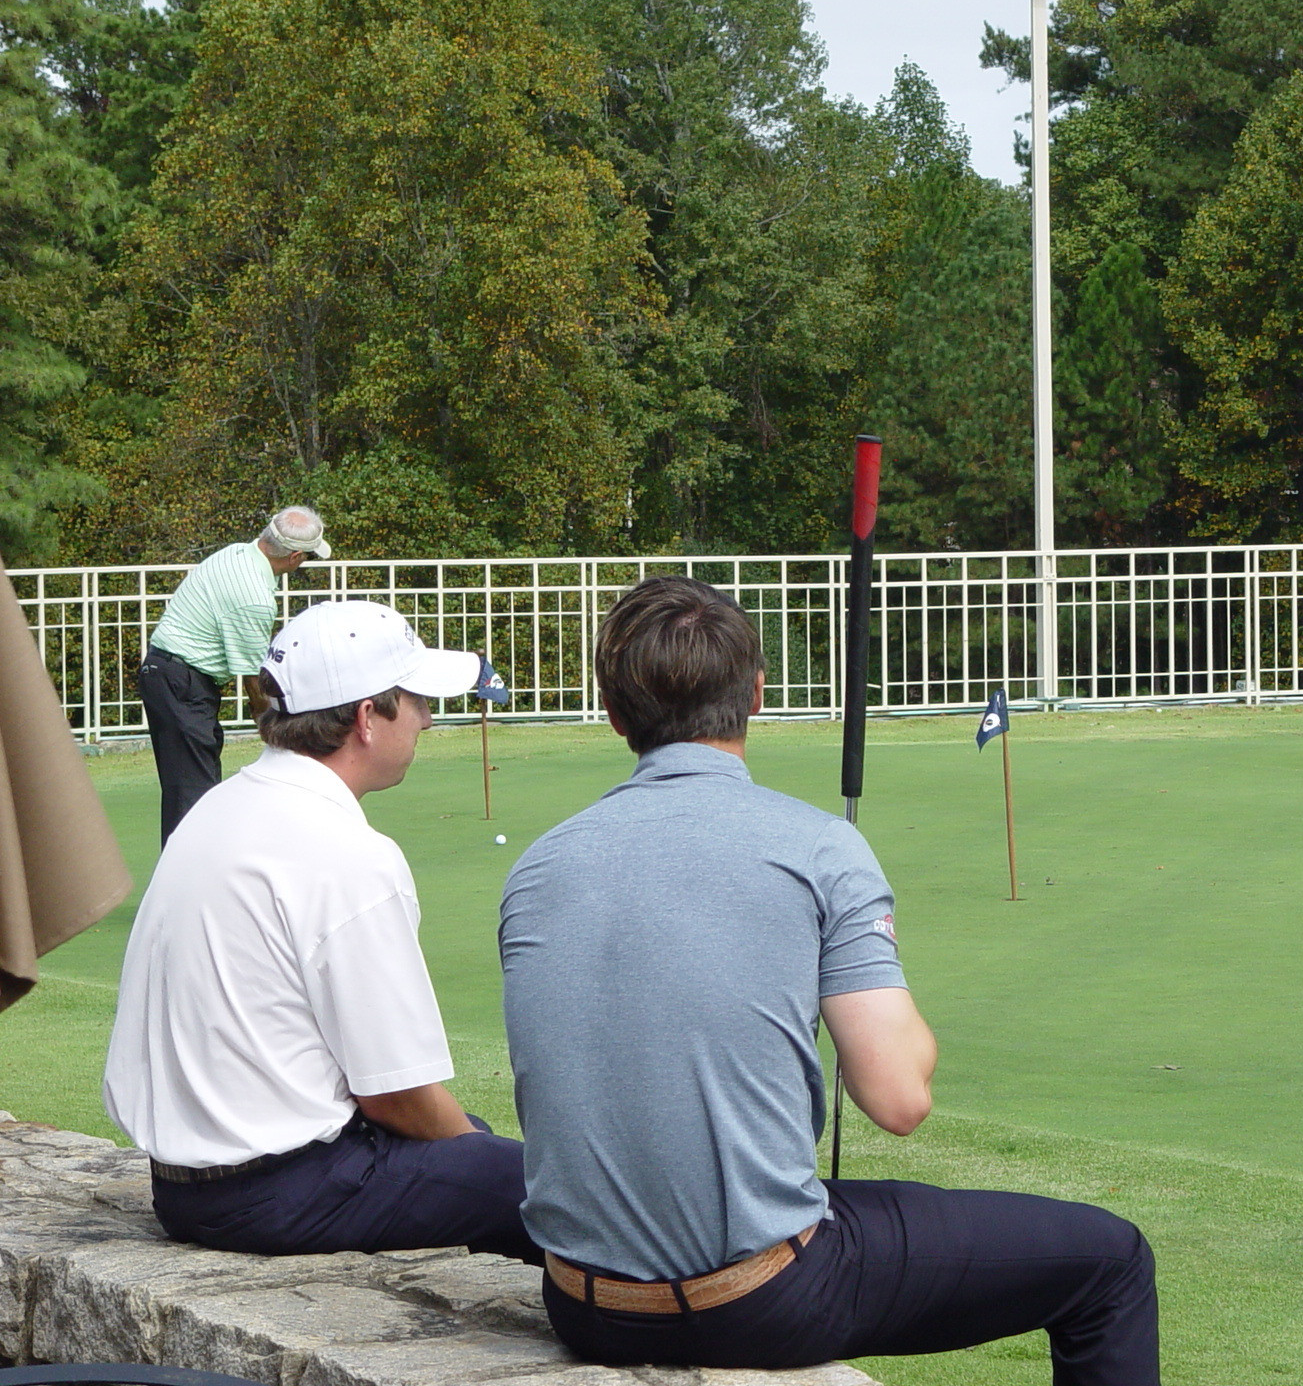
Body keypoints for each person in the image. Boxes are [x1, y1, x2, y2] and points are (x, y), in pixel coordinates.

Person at [500, 576, 1159, 1383]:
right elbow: (897, 1100)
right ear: (756, 694)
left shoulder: (537, 865)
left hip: (584, 1304)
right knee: (1112, 1262)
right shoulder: (818, 847)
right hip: (759, 1298)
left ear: (613, 711)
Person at [105, 599, 538, 1264]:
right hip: (278, 1189)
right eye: (416, 699)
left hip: (184, 1185)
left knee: (471, 1153)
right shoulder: (349, 855)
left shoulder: (220, 806)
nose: (426, 717)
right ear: (368, 717)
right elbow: (395, 1093)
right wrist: (474, 1153)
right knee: (536, 1184)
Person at [141, 506, 333, 844]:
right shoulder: (254, 599)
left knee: (191, 791)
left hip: (171, 676)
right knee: (193, 797)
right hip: (180, 683)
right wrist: (279, 733)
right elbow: (255, 683)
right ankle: (187, 887)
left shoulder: (236, 554)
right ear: (295, 556)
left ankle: (189, 882)